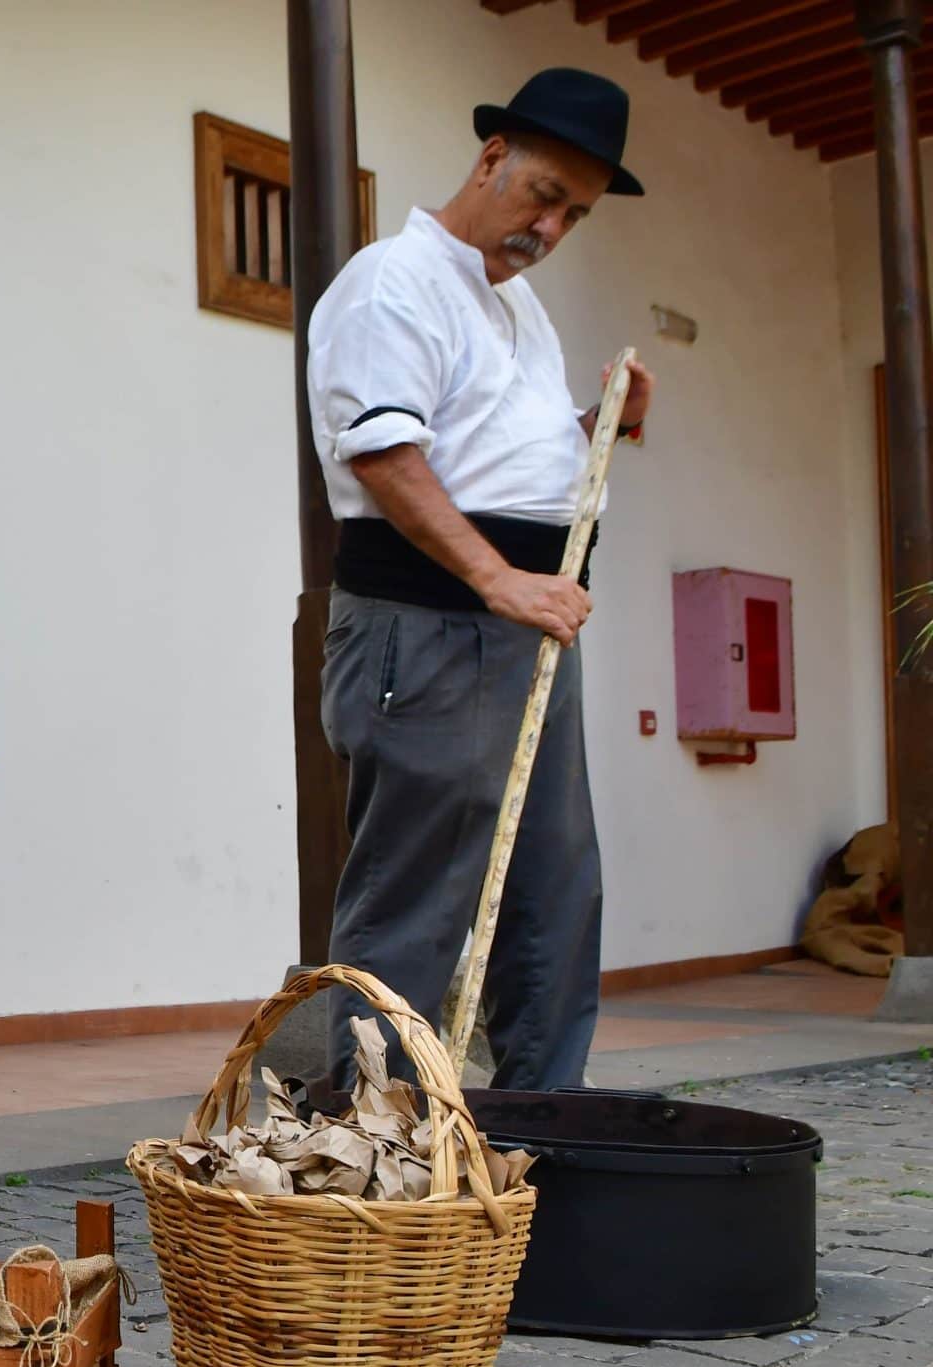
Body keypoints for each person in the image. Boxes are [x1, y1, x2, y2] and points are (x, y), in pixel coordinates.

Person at [305, 68, 654, 1090]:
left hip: (526, 626)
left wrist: (603, 428)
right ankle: (380, 1146)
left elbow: (502, 457)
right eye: (543, 194)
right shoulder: (391, 280)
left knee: (550, 892)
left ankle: (545, 1133)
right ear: (490, 157)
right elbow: (383, 453)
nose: (550, 226)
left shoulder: (520, 311)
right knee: (418, 900)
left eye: (574, 214)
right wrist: (500, 580)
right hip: (433, 625)